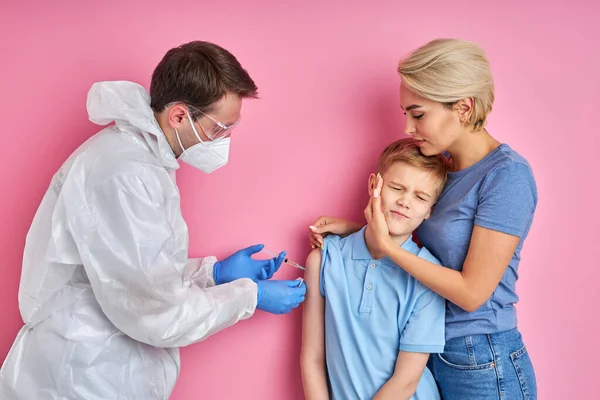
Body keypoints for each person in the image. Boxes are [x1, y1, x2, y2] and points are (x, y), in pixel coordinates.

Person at [0, 41, 306, 400]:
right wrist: (248, 297)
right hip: (82, 374)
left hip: (99, 364)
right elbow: (154, 309)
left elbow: (137, 272)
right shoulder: (126, 174)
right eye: (218, 129)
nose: (224, 141)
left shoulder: (144, 159)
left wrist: (214, 274)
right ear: (179, 116)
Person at [309, 39, 538, 399]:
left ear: (463, 107)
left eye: (418, 114)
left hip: (484, 358)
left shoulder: (507, 177)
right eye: (405, 114)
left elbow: (472, 292)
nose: (408, 127)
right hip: (434, 351)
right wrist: (360, 231)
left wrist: (385, 246)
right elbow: (433, 247)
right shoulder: (440, 169)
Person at [301, 138, 449, 400]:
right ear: (374, 185)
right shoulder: (325, 260)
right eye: (396, 187)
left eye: (420, 196)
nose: (405, 201)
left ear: (429, 211)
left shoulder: (429, 276)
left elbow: (406, 381)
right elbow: (312, 358)